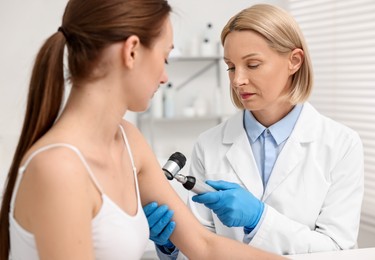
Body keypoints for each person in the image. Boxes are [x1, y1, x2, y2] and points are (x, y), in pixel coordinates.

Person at [0, 0, 286, 259]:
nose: (164, 77)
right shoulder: (59, 167)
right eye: (164, 58)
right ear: (132, 51)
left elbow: (204, 246)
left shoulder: (128, 140)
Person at [151, 3, 364, 259]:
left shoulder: (342, 144)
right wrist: (170, 246)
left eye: (252, 65)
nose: (237, 79)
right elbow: (199, 246)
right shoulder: (208, 144)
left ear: (294, 61)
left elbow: (338, 251)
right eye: (231, 66)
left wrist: (260, 219)